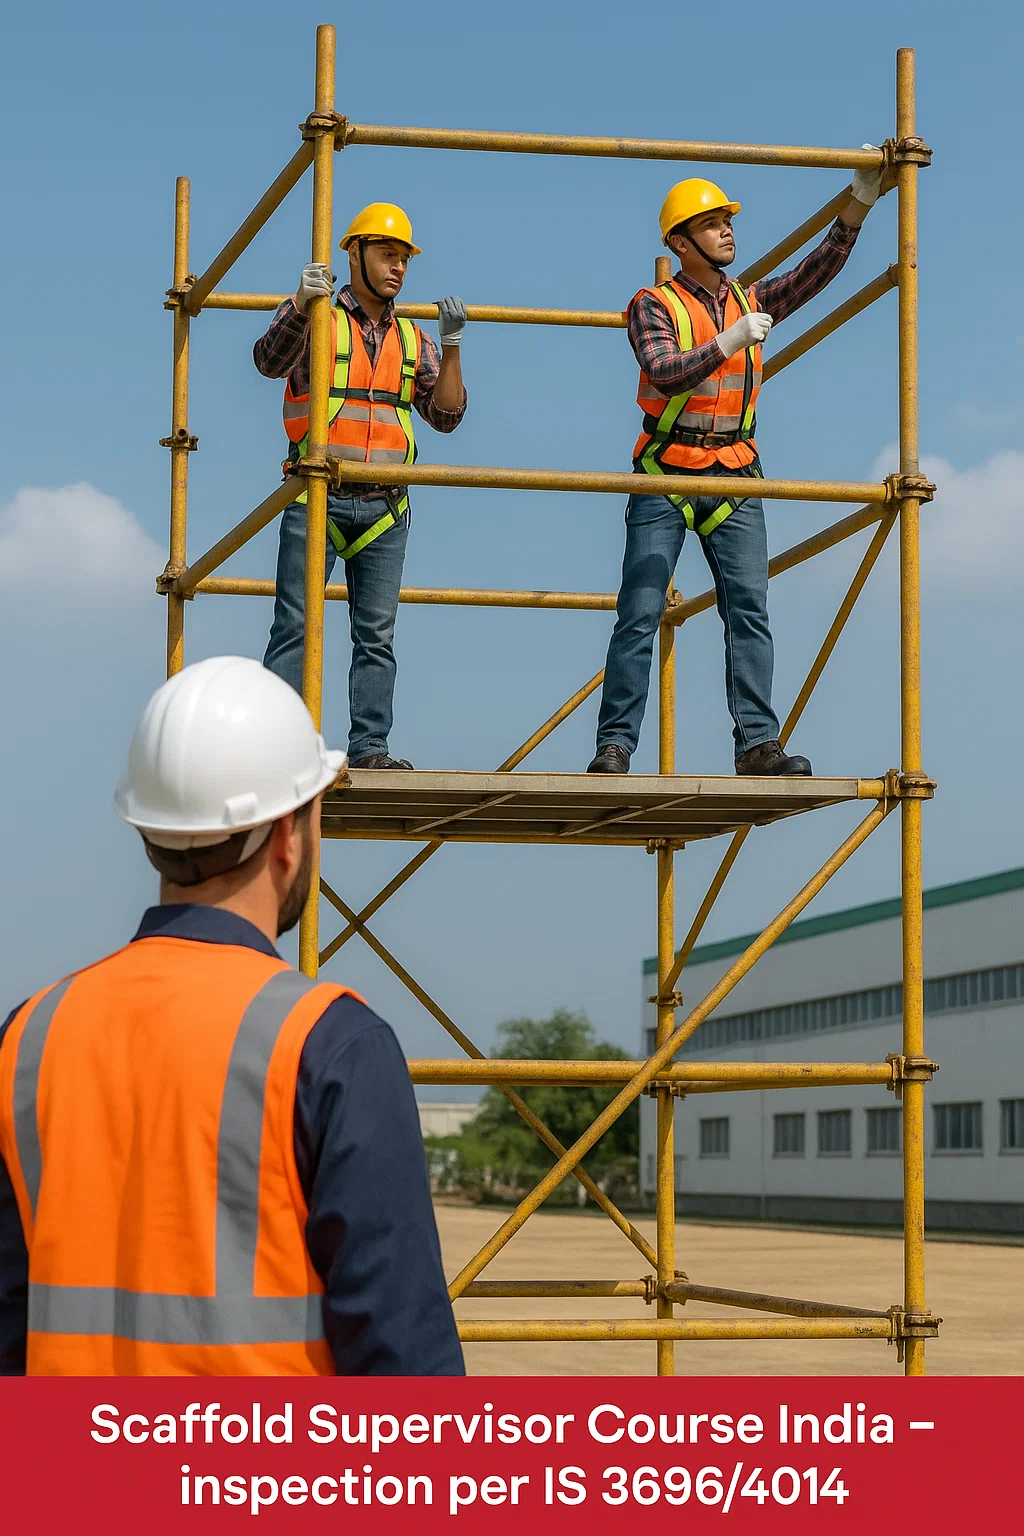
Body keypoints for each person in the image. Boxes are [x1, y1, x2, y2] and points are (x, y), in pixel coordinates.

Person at [0, 657, 464, 1376]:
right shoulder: (331, 1044)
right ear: (289, 835)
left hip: (65, 1488)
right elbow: (404, 1375)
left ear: (148, 830)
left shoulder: (29, 1035)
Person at [588, 153, 884, 776]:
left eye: (727, 219)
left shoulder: (748, 297)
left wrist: (860, 200)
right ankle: (615, 746)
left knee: (748, 609)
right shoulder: (653, 304)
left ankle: (757, 744)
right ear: (679, 240)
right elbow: (663, 374)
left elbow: (813, 274)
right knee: (639, 612)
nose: (727, 228)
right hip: (666, 473)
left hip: (734, 474)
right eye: (712, 221)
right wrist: (727, 342)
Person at [255, 202, 468, 769]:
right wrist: (300, 304)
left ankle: (371, 749)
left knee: (376, 638)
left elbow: (446, 417)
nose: (398, 268)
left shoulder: (412, 338)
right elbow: (267, 361)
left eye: (403, 258)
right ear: (355, 254)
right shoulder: (318, 316)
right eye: (386, 254)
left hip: (383, 508)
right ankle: (278, 749)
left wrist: (451, 346)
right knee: (295, 626)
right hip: (317, 497)